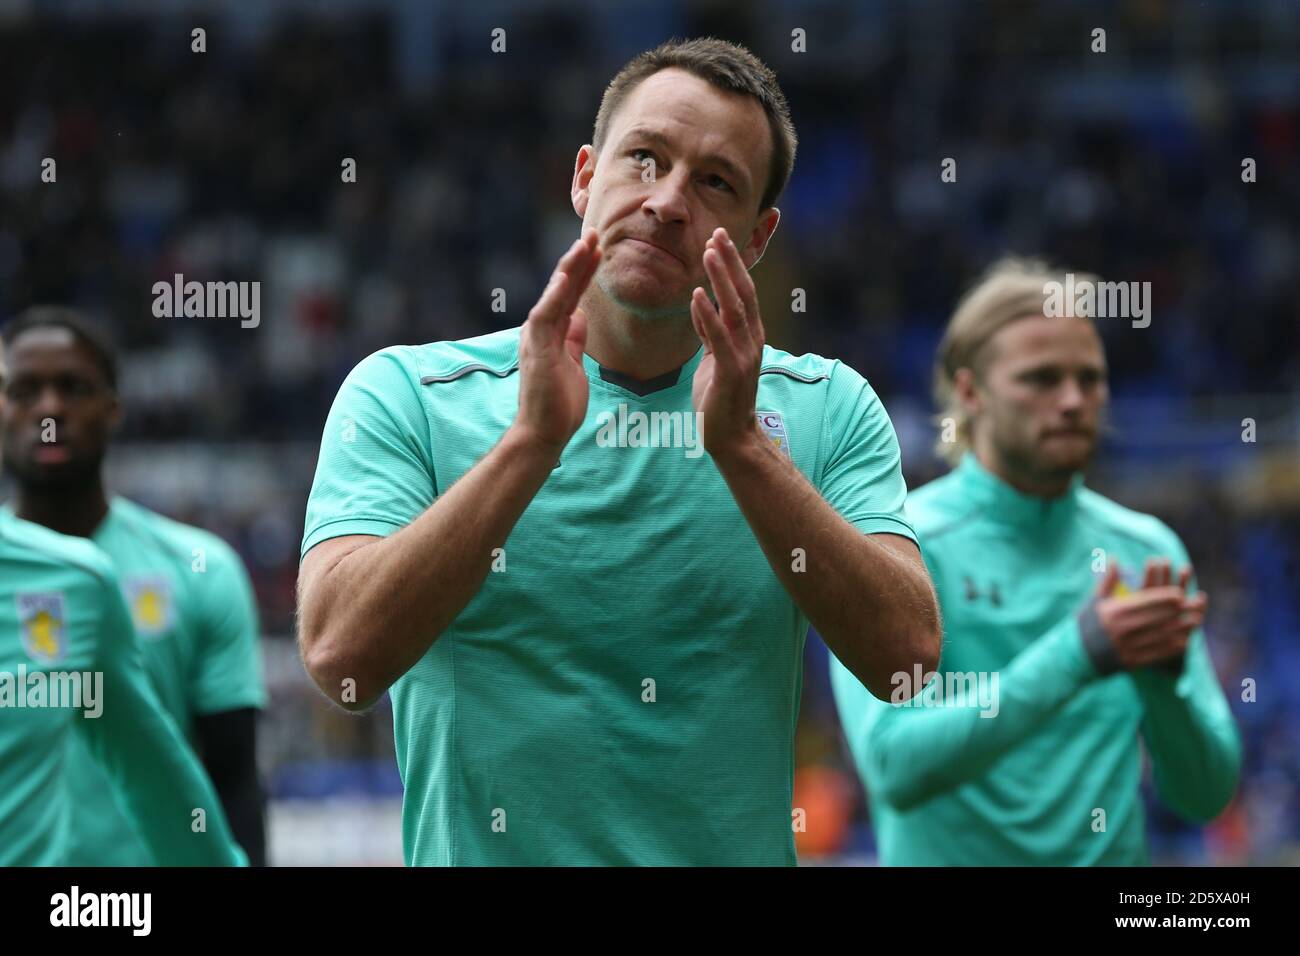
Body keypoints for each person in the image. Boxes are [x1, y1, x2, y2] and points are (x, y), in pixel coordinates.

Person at [297, 37, 940, 865]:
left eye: (715, 182)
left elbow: (908, 665)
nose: (669, 201)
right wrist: (529, 444)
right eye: (645, 158)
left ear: (757, 237)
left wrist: (744, 450)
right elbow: (339, 657)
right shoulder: (409, 394)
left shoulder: (826, 409)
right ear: (583, 177)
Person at [830, 257, 1241, 865]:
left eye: (1090, 378)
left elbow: (1205, 797)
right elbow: (892, 764)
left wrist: (1165, 686)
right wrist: (1079, 653)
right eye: (1042, 379)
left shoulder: (1143, 551)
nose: (1074, 400)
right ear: (970, 392)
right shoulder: (898, 544)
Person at [0, 308, 266, 865]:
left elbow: (234, 778)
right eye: (24, 390)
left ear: (114, 408)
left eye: (73, 388)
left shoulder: (201, 568)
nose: (50, 409)